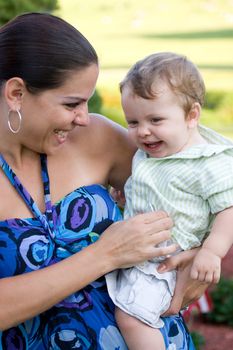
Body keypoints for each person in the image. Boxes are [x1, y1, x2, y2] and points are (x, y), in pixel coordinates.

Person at [0, 14, 205, 349]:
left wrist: (199, 252)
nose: (84, 116)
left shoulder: (95, 137)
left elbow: (195, 189)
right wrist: (105, 255)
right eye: (71, 103)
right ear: (17, 93)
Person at [106, 52, 233, 350]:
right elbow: (157, 190)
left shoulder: (207, 163)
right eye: (133, 122)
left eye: (155, 120)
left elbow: (228, 209)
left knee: (131, 318)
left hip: (166, 263)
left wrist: (212, 253)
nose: (143, 131)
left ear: (192, 115)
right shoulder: (155, 152)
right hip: (143, 254)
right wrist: (128, 195)